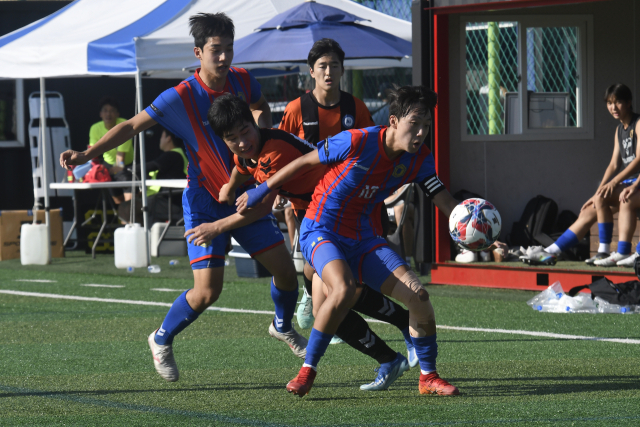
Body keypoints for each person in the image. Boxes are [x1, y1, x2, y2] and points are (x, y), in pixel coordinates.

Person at [60, 12, 307, 383]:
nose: (224, 58)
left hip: (244, 193)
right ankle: (161, 338)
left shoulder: (242, 79)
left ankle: (282, 326)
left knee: (287, 273)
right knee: (208, 292)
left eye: (228, 49)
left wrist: (259, 124)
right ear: (198, 52)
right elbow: (129, 125)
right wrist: (86, 155)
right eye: (215, 51)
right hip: (205, 201)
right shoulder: (180, 97)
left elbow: (259, 104)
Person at [237, 85, 463, 397]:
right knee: (341, 289)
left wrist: (485, 237)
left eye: (427, 126)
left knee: (419, 297)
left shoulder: (420, 159)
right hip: (320, 229)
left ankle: (428, 377)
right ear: (394, 121)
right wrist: (262, 190)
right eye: (415, 124)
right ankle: (307, 371)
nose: (422, 132)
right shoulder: (359, 139)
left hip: (365, 238)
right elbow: (304, 162)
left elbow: (445, 201)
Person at [188, 93, 419, 391]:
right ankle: (391, 351)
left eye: (246, 131)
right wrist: (229, 187)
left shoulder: (274, 151)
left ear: (254, 123)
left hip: (340, 212)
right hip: (318, 219)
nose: (242, 142)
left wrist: (217, 226)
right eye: (232, 138)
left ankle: (396, 339)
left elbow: (260, 209)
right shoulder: (248, 152)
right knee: (331, 296)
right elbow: (241, 166)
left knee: (332, 298)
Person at [279, 38, 375, 332]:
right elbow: (279, 149)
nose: (329, 71)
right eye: (323, 66)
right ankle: (311, 296)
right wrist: (275, 189)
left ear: (342, 70)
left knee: (336, 256)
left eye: (334, 65)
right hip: (306, 198)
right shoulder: (297, 109)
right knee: (315, 258)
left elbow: (372, 146)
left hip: (346, 196)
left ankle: (327, 313)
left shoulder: (355, 107)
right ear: (311, 71)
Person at [520, 83, 640, 267]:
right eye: (609, 103)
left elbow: (638, 159)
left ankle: (623, 252)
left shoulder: (638, 123)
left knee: (625, 198)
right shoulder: (618, 130)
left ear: (629, 102)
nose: (613, 107)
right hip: (627, 184)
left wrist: (616, 182)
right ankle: (552, 252)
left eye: (618, 102)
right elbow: (614, 164)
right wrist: (597, 193)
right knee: (590, 208)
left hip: (636, 185)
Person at [117, 128, 188, 224]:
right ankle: (145, 233)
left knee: (126, 208)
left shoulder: (173, 155)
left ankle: (143, 235)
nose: (160, 139)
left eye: (162, 136)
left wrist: (125, 170)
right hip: (165, 200)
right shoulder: (177, 154)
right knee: (127, 207)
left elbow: (149, 166)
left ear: (168, 138)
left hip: (170, 203)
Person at [89, 97, 134, 204]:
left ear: (117, 114)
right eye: (105, 110)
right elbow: (92, 153)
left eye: (112, 111)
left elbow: (120, 163)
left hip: (126, 166)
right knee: (119, 202)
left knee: (130, 204)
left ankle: (131, 218)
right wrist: (94, 170)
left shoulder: (124, 125)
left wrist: (108, 171)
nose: (108, 114)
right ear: (100, 114)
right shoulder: (95, 128)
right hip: (108, 165)